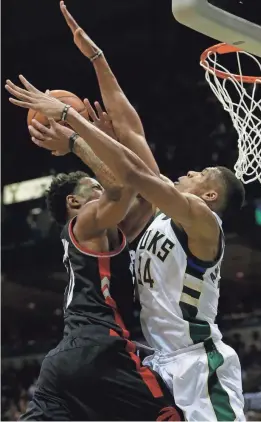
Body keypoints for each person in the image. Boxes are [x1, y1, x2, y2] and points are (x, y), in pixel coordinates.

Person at [6, 66, 246, 421]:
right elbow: (132, 131)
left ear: (210, 195)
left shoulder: (203, 220)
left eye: (200, 175)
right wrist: (97, 58)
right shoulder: (157, 216)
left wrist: (72, 124)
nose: (190, 172)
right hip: (157, 363)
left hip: (198, 362)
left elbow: (130, 177)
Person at [5, 38, 182, 422]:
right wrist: (77, 140)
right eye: (92, 189)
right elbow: (122, 188)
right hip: (101, 350)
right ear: (73, 202)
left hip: (63, 363)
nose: (100, 189)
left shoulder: (102, 229)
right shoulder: (84, 223)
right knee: (172, 415)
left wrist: (107, 141)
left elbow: (142, 194)